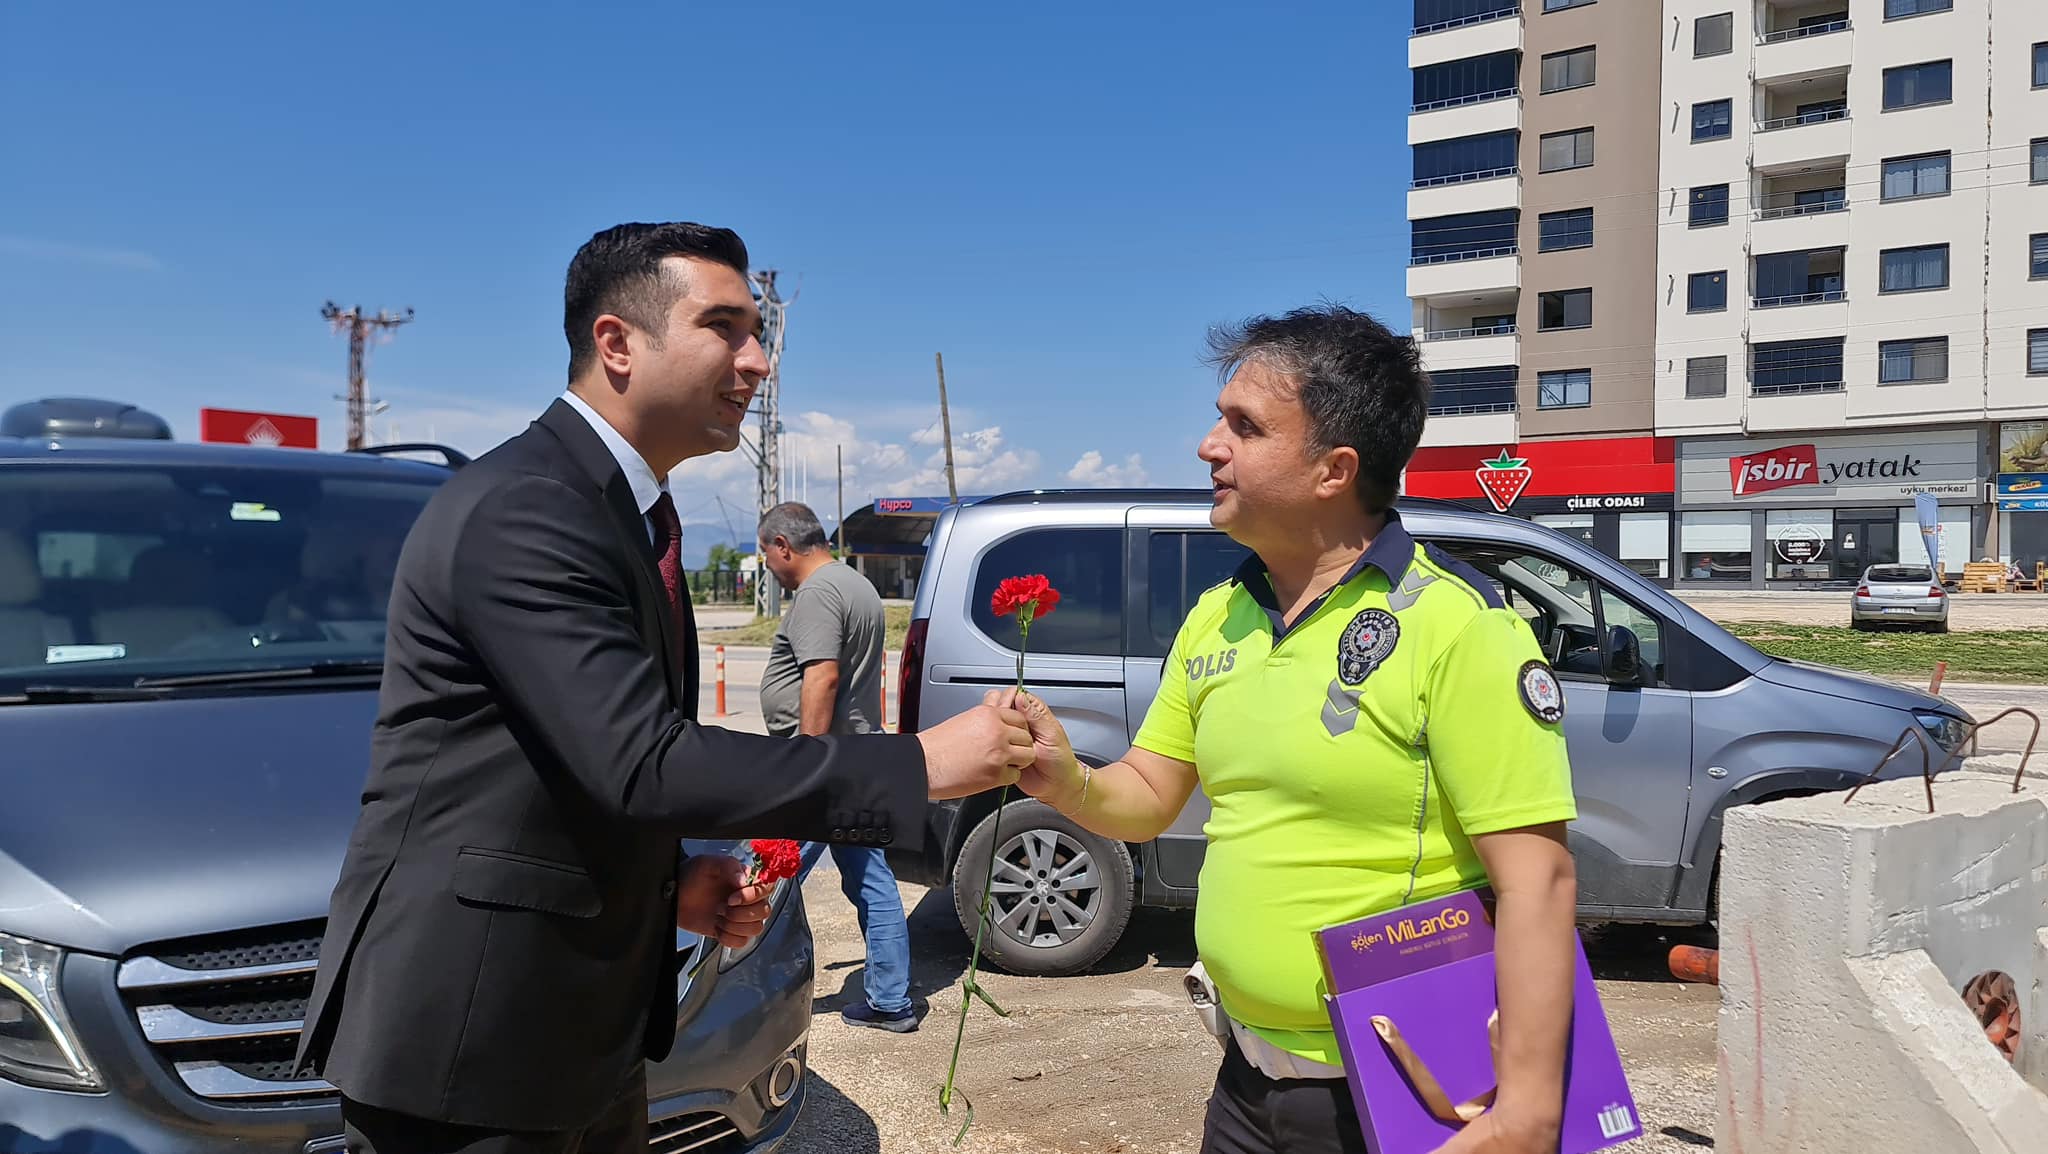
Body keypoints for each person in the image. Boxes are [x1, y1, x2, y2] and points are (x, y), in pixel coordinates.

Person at [295, 222, 1036, 1154]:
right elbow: (639, 762)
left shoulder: (625, 509)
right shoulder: (527, 508)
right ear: (617, 344)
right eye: (724, 327)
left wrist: (669, 884)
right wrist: (913, 764)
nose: (758, 360)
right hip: (475, 1038)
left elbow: (563, 770)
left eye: (756, 331)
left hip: (575, 1030)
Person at [1009, 305, 1580, 1154]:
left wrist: (1531, 1108)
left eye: (1244, 425)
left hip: (1400, 1081)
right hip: (1243, 1077)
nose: (1210, 445)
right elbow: (1150, 796)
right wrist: (1067, 780)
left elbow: (1541, 881)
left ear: (1333, 470)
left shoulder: (1458, 626)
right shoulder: (1218, 616)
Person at [756, 501, 918, 1033]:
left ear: (783, 544)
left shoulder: (820, 592)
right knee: (871, 878)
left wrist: (806, 762)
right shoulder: (856, 585)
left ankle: (736, 994)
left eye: (765, 553)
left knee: (769, 876)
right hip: (856, 757)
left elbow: (821, 678)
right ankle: (890, 1000)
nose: (767, 566)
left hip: (824, 765)